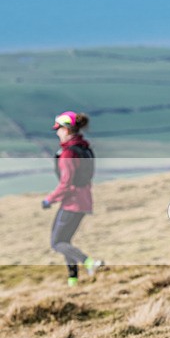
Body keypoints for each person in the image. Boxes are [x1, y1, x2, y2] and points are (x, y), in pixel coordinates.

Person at [43, 111, 103, 286]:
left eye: (59, 129)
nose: (57, 133)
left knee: (57, 243)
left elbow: (66, 183)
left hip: (72, 204)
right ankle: (73, 281)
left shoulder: (68, 153)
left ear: (67, 130)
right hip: (85, 201)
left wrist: (49, 200)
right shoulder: (84, 149)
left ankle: (89, 263)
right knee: (65, 242)